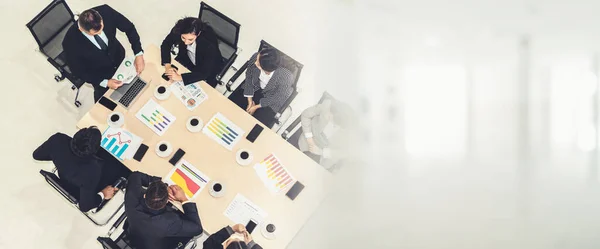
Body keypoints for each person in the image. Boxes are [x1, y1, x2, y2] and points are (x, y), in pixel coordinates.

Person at [32, 126, 132, 212]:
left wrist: (60, 159)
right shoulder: (93, 170)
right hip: (83, 191)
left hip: (67, 177)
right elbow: (85, 206)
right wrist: (103, 194)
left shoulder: (58, 139)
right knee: (124, 169)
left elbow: (37, 155)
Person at [62, 5, 145, 102]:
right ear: (82, 29)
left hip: (120, 60)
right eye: (96, 33)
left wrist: (138, 54)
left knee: (140, 92)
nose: (101, 33)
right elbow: (78, 71)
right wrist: (105, 82)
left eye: (102, 27)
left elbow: (129, 28)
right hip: (101, 75)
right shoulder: (70, 43)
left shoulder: (106, 11)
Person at [125, 172, 203, 249]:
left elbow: (135, 175)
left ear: (145, 195)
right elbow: (198, 228)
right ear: (167, 201)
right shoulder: (169, 223)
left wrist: (157, 187)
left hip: (136, 235)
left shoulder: (133, 195)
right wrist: (183, 199)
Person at [228, 48, 294, 127]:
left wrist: (256, 107)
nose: (255, 62)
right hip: (255, 87)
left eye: (258, 63)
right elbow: (249, 78)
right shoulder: (256, 56)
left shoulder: (286, 76)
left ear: (266, 69)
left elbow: (278, 97)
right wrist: (250, 101)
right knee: (230, 109)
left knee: (254, 125)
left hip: (271, 97)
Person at [161, 17, 223, 87]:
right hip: (187, 59)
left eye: (190, 39)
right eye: (183, 38)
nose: (186, 43)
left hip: (208, 67)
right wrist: (167, 66)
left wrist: (180, 77)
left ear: (198, 33)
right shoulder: (179, 29)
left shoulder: (209, 44)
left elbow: (204, 73)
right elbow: (166, 44)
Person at [297, 99, 355, 170]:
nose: (327, 116)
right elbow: (305, 115)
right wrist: (309, 138)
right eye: (329, 112)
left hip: (322, 159)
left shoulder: (348, 134)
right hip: (305, 143)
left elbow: (344, 152)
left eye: (330, 117)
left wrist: (322, 152)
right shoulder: (327, 106)